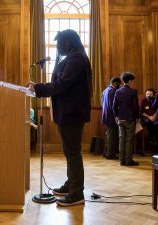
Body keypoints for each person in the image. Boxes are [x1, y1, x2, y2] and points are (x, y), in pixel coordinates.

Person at [29, 29, 92, 207]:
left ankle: (77, 192)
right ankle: (71, 184)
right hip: (68, 113)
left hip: (71, 114)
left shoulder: (77, 59)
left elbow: (62, 84)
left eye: (59, 43)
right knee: (69, 151)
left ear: (68, 42)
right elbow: (60, 81)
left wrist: (38, 88)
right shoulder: (73, 58)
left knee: (72, 152)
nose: (57, 47)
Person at [113, 72, 139, 166]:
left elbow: (114, 106)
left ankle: (121, 160)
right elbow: (135, 106)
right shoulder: (133, 91)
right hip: (130, 118)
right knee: (129, 140)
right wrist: (137, 117)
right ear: (130, 81)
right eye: (132, 81)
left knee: (121, 139)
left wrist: (116, 116)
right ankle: (128, 160)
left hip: (120, 118)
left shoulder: (117, 91)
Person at [101, 77, 121, 159]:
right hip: (111, 117)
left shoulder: (105, 90)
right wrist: (116, 115)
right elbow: (113, 106)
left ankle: (106, 152)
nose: (119, 86)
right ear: (115, 83)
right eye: (118, 84)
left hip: (106, 116)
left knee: (109, 135)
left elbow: (102, 103)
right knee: (112, 136)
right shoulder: (112, 91)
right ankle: (110, 154)